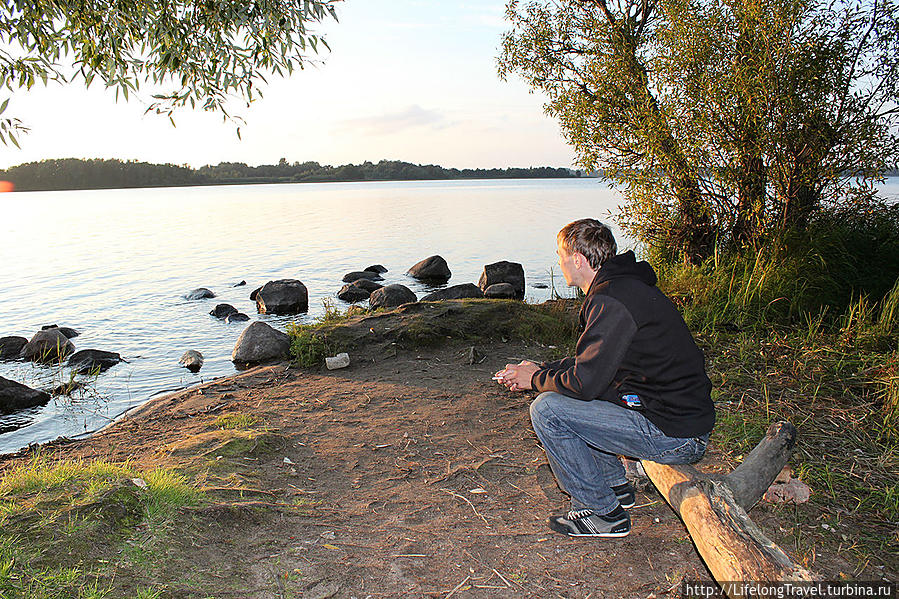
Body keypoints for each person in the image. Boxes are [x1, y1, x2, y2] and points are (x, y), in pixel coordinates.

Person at [494, 218, 714, 538]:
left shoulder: (612, 299)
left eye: (560, 255)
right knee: (579, 394)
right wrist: (543, 367)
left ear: (578, 260)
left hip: (677, 434)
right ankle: (615, 487)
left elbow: (585, 382)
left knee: (548, 410)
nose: (558, 261)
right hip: (671, 416)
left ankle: (602, 513)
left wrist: (537, 379)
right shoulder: (620, 289)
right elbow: (595, 364)